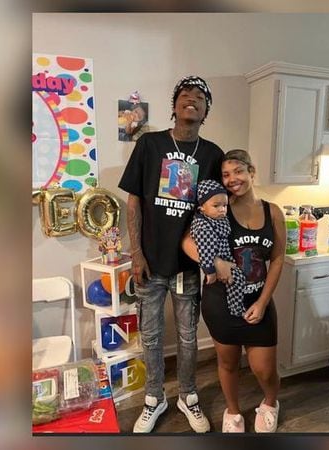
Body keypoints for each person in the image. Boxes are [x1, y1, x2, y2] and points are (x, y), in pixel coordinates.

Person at [118, 75, 222, 433]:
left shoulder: (212, 155)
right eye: (185, 95)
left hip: (188, 266)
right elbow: (134, 201)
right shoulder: (149, 144)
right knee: (149, 336)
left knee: (189, 337)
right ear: (174, 105)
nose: (191, 100)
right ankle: (154, 399)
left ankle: (188, 396)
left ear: (206, 111)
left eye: (200, 98)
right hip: (149, 262)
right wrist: (136, 254)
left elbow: (221, 208)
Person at [182, 149, 286, 433]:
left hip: (258, 300)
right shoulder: (219, 207)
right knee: (227, 363)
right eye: (225, 175)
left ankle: (270, 403)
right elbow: (188, 242)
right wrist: (214, 261)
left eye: (238, 171)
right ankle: (233, 412)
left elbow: (277, 258)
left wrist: (264, 302)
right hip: (221, 301)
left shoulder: (272, 211)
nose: (232, 179)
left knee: (264, 369)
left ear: (252, 172)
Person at [190, 179, 246, 317]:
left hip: (225, 257)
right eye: (216, 206)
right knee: (237, 279)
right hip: (217, 261)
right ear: (202, 207)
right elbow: (205, 251)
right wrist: (210, 271)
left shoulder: (218, 219)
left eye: (224, 205)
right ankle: (236, 308)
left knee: (238, 278)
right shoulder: (204, 227)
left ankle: (235, 305)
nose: (222, 209)